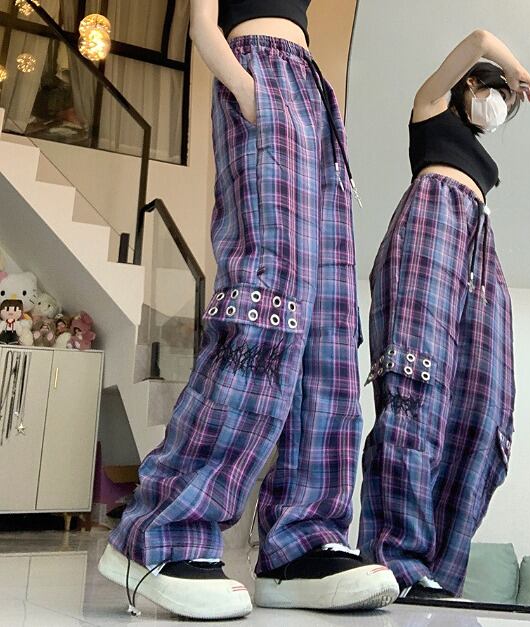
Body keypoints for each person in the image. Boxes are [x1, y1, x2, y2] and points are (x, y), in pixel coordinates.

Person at [98, 0, 399, 619]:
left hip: (313, 96)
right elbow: (201, 24)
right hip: (258, 72)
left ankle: (302, 542)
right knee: (267, 306)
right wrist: (248, 90)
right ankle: (161, 530)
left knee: (330, 327)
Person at [357, 29, 530, 599]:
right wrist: (514, 70)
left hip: (477, 247)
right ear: (471, 85)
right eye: (495, 94)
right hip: (432, 223)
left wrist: (506, 90)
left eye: (506, 103)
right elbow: (478, 38)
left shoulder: (485, 161)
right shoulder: (431, 109)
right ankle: (396, 561)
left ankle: (436, 568)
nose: (499, 107)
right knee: (417, 387)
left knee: (487, 413)